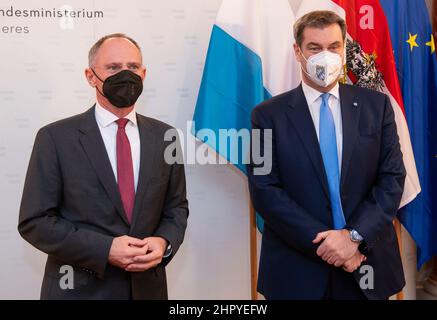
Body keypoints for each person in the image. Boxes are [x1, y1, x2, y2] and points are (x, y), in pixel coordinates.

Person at [247, 11, 406, 300]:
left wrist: (353, 237)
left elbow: (392, 179)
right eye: (314, 48)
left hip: (366, 265)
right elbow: (265, 191)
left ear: (344, 49)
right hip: (297, 270)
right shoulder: (267, 116)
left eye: (334, 47)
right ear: (297, 52)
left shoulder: (377, 106)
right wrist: (332, 246)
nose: (326, 56)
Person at [18, 33, 188, 300]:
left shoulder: (166, 136)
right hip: (78, 290)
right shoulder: (55, 138)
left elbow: (176, 207)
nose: (125, 75)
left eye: (132, 67)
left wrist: (164, 242)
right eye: (113, 67)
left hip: (147, 290)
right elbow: (35, 221)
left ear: (144, 73)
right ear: (90, 76)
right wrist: (105, 248)